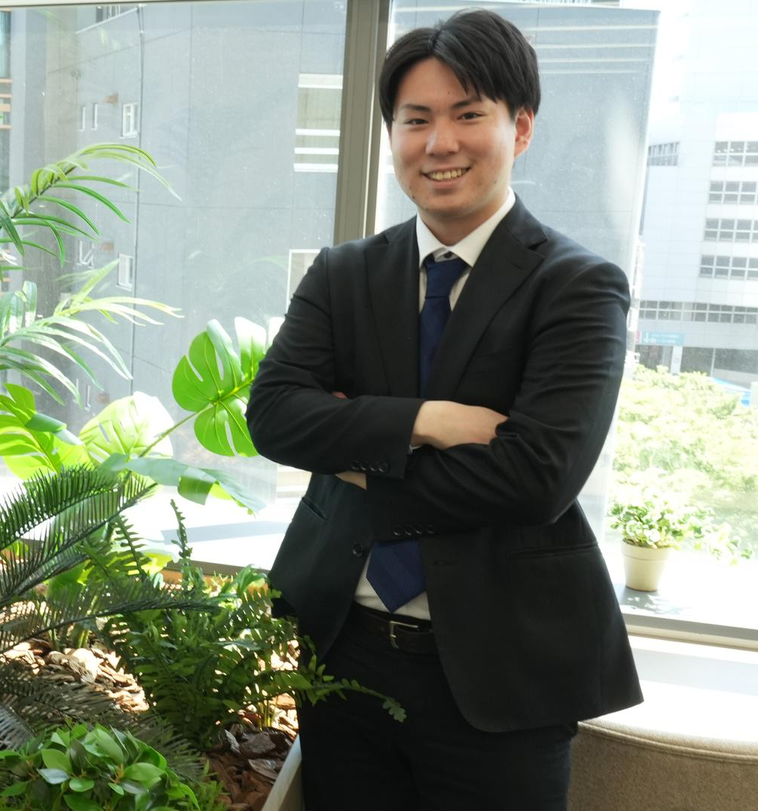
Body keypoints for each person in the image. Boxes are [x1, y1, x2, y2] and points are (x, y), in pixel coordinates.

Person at [245, 8, 643, 810]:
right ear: (393, 134)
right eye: (416, 119)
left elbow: (535, 479)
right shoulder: (344, 273)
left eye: (468, 115)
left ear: (519, 128)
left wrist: (359, 461)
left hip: (502, 668)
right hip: (343, 650)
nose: (440, 143)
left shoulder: (577, 286)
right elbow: (276, 415)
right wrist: (426, 421)